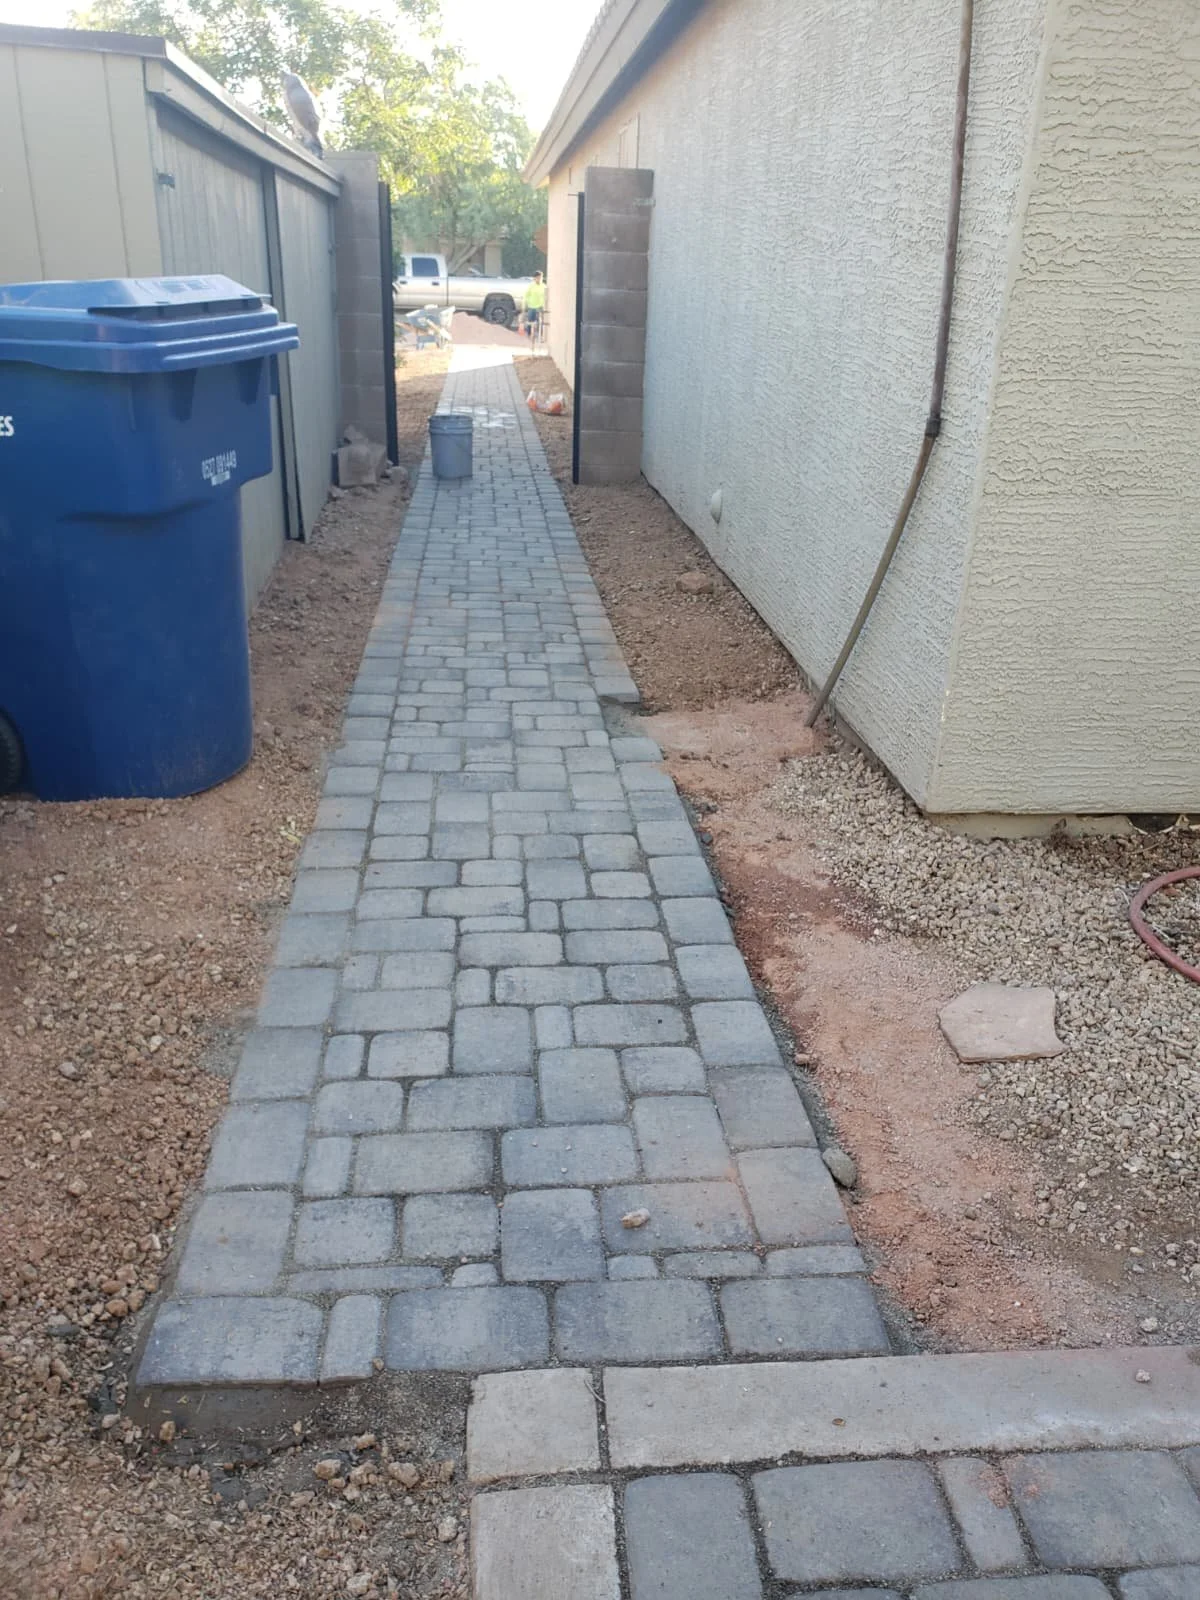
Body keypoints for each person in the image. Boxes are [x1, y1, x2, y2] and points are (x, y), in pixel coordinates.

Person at [524, 271, 546, 339]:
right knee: (530, 320)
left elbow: (545, 296)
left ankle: (541, 335)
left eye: (540, 277)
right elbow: (526, 295)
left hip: (540, 306)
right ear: (535, 278)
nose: (539, 279)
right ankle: (529, 334)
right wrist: (526, 303)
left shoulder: (544, 286)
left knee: (541, 322)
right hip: (532, 306)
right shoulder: (531, 286)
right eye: (538, 277)